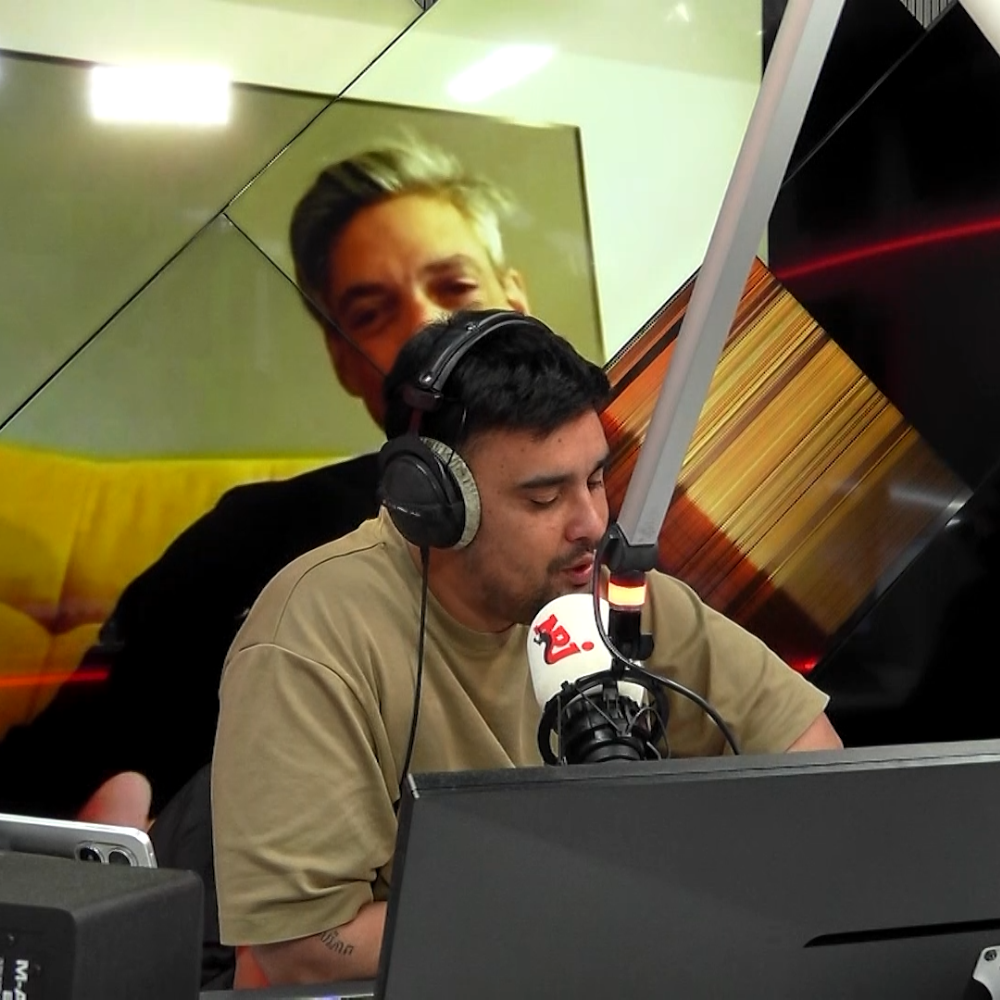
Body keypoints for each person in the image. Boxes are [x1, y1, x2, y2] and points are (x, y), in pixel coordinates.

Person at [211, 309, 842, 987]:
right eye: (544, 499)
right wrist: (582, 911)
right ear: (437, 505)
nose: (591, 523)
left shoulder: (614, 596)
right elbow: (304, 948)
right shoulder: (310, 639)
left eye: (595, 480)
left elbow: (817, 767)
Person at [0, 140, 531, 824]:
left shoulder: (637, 512)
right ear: (342, 360)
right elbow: (51, 776)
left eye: (455, 288)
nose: (425, 324)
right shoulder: (248, 538)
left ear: (516, 302)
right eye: (371, 313)